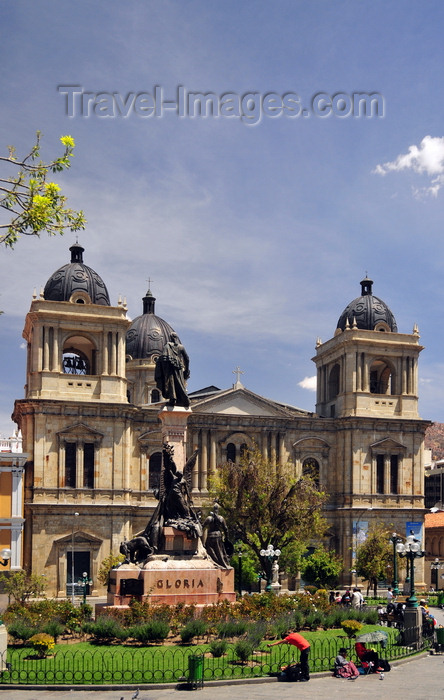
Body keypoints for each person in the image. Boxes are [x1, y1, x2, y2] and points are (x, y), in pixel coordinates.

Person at [155, 332, 190, 408]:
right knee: (179, 384)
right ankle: (184, 399)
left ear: (170, 338)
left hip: (170, 368)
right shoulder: (181, 347)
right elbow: (187, 359)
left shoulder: (167, 346)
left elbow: (164, 357)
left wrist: (159, 363)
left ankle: (173, 398)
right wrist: (187, 369)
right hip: (179, 368)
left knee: (172, 383)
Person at [202, 502, 232, 569]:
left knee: (211, 552)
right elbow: (226, 529)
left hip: (210, 536)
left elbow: (202, 526)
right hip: (218, 536)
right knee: (219, 552)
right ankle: (221, 563)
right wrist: (227, 538)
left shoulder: (209, 518)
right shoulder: (221, 518)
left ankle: (214, 563)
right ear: (218, 510)